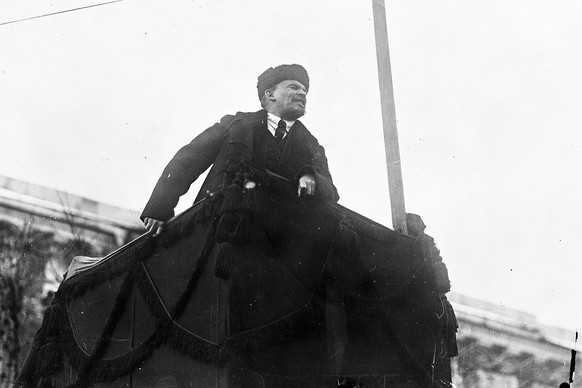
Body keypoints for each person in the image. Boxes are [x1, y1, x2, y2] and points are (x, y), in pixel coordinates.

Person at [141, 64, 339, 235]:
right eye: (294, 87)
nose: (302, 94)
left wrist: (312, 177)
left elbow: (332, 193)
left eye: (305, 91)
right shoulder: (236, 123)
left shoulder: (311, 145)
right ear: (270, 94)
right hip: (218, 227)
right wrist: (159, 208)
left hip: (276, 242)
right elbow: (188, 160)